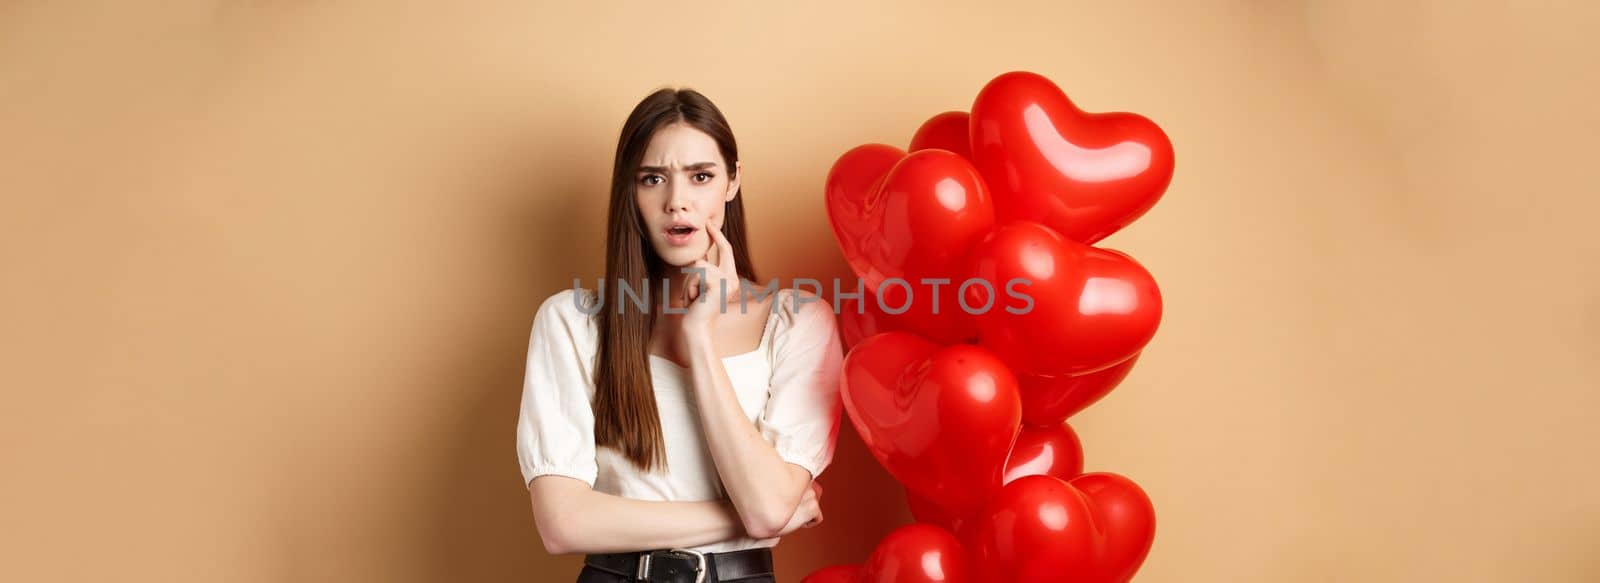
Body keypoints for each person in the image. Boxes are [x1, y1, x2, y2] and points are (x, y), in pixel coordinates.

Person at [516, 87, 845, 583]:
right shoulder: (572, 321)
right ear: (630, 188)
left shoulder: (798, 321)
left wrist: (700, 340)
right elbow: (561, 524)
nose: (677, 202)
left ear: (732, 182)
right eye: (653, 179)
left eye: (701, 177)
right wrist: (744, 519)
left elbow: (770, 506)